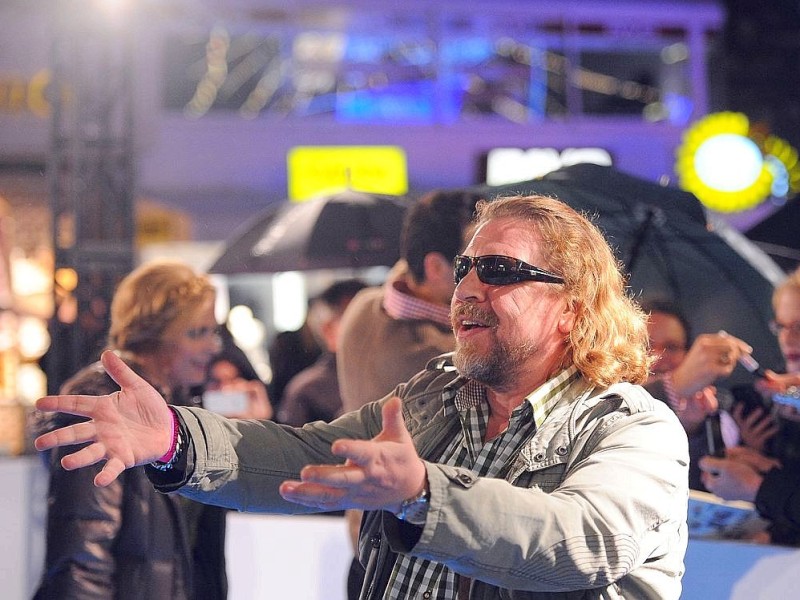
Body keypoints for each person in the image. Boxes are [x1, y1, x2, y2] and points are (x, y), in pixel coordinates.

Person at [35, 195, 690, 599]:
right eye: (465, 267)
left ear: (573, 309)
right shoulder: (437, 393)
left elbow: (579, 541)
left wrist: (424, 497)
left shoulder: (633, 428)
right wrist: (179, 439)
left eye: (499, 272)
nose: (466, 288)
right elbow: (308, 455)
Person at [33, 259, 228, 600]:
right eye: (197, 332)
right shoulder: (103, 401)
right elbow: (82, 554)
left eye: (213, 331)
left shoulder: (182, 405)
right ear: (154, 337)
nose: (213, 346)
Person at [336, 189, 483, 596]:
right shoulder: (434, 355)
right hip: (411, 558)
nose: (485, 275)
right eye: (472, 261)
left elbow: (405, 273)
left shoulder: (364, 307)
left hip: (370, 543)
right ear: (436, 267)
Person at [700, 266, 800, 542]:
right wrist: (763, 463)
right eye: (781, 326)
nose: (789, 339)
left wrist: (757, 486)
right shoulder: (761, 399)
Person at [641, 299, 763, 490]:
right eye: (645, 345)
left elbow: (703, 491)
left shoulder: (716, 409)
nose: (657, 356)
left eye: (671, 347)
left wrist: (692, 429)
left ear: (688, 354)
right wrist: (675, 385)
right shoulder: (595, 399)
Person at [277, 278, 366, 427]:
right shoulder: (307, 391)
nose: (372, 327)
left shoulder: (394, 373)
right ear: (329, 331)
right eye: (359, 320)